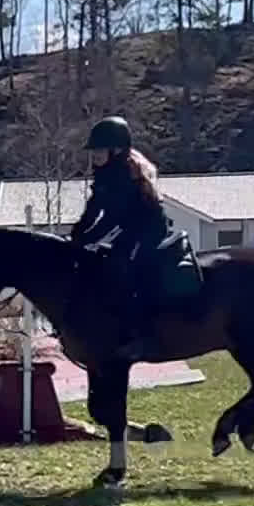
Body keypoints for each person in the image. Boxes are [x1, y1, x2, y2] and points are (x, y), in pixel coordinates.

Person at [67, 116, 199, 351]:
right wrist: (76, 234)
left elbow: (111, 220)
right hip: (129, 230)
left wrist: (86, 239)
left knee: (126, 270)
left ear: (116, 150)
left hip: (148, 230)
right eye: (94, 151)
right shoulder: (105, 173)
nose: (94, 155)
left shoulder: (126, 174)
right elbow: (93, 209)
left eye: (99, 150)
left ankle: (142, 335)